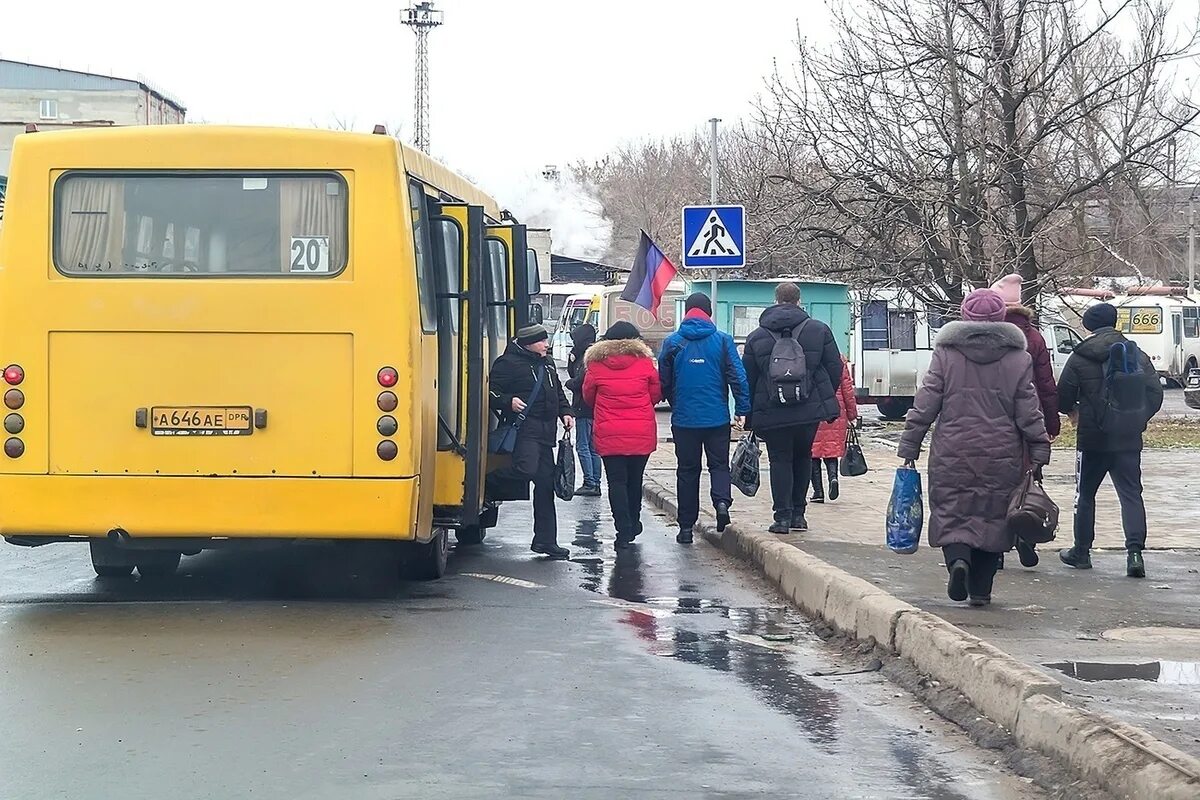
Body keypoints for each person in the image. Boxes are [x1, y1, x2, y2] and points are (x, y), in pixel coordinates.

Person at [898, 289, 1051, 606]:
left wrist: (909, 445)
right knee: (993, 516)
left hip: (952, 451)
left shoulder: (946, 354)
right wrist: (1039, 449)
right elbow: (1029, 410)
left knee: (952, 510)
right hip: (1001, 454)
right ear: (1000, 318)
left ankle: (957, 562)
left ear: (965, 315)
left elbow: (925, 403)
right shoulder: (1018, 359)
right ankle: (981, 590)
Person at [1057, 302, 1163, 578]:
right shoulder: (1135, 354)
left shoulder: (1080, 356)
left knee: (1085, 495)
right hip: (1128, 439)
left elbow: (1063, 398)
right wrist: (1136, 418)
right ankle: (1135, 554)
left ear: (1089, 325)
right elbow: (1155, 394)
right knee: (1130, 495)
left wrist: (1076, 411)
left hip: (1092, 438)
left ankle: (1081, 552)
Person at [741, 282, 843, 534]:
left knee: (779, 460)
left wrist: (749, 412)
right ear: (799, 301)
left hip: (772, 409)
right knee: (803, 455)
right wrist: (820, 395)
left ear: (775, 301)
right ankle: (799, 514)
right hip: (808, 409)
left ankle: (782, 517)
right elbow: (835, 368)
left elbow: (748, 377)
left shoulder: (757, 336)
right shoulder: (819, 330)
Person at [658, 292, 750, 544]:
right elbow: (737, 376)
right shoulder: (722, 341)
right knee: (718, 464)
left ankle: (686, 527)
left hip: (684, 420)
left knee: (687, 470)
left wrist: (674, 401)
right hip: (716, 418)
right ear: (709, 313)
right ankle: (721, 503)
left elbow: (663, 380)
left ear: (686, 312)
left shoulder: (673, 342)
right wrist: (742, 408)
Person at [991, 273, 1061, 569]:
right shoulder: (1034, 336)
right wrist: (1051, 425)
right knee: (1027, 480)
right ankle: (1026, 538)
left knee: (994, 484)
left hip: (994, 421)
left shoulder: (987, 333)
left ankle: (993, 551)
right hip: (1030, 421)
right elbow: (1046, 384)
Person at [489, 323, 574, 559]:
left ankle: (546, 541)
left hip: (547, 431)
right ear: (529, 343)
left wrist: (566, 412)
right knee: (526, 469)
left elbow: (557, 391)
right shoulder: (507, 364)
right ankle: (488, 483)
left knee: (546, 486)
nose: (546, 344)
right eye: (542, 341)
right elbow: (490, 392)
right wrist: (508, 402)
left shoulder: (547, 364)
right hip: (524, 428)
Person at [583, 321, 663, 549]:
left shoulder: (596, 365)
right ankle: (634, 520)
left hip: (610, 432)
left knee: (616, 481)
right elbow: (655, 394)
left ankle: (623, 529)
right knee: (635, 479)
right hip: (640, 431)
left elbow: (589, 396)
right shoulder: (645, 364)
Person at [809, 355, 858, 503]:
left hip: (814, 408)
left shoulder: (809, 357)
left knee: (813, 452)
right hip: (836, 409)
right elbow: (847, 389)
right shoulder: (839, 361)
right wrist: (852, 414)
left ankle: (818, 492)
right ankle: (833, 478)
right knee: (831, 450)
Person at [565, 323, 602, 496]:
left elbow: (578, 380)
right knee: (594, 447)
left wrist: (568, 384)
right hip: (594, 408)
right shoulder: (593, 354)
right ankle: (595, 482)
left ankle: (590, 482)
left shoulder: (587, 357)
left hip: (583, 407)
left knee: (583, 446)